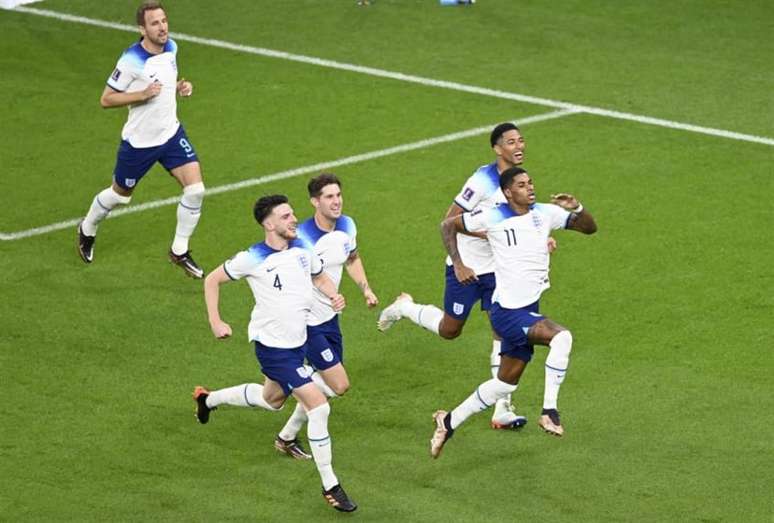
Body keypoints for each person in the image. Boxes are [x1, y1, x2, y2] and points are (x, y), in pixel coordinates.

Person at [192, 195, 357, 512]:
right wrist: (215, 321)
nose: (293, 219)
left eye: (292, 214)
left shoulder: (302, 249)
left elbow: (319, 275)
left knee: (272, 400)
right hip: (274, 348)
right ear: (269, 224)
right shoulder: (253, 257)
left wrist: (334, 294)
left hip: (298, 341)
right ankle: (331, 486)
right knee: (319, 406)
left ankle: (207, 400)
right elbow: (212, 279)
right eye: (285, 216)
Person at [378, 123, 539, 429]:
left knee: (503, 331)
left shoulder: (518, 181)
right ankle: (404, 307)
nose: (519, 147)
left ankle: (502, 408)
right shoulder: (482, 180)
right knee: (450, 330)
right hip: (465, 268)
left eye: (521, 141)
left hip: (499, 271)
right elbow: (449, 220)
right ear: (497, 148)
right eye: (511, 142)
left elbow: (522, 218)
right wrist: (460, 263)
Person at [429, 166, 597, 458]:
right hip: (508, 314)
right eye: (521, 185)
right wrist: (458, 263)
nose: (529, 188)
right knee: (562, 338)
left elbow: (590, 228)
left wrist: (577, 208)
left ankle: (449, 421)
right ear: (508, 192)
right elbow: (448, 225)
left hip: (527, 308)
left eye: (530, 182)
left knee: (504, 383)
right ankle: (549, 411)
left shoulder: (544, 213)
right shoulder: (493, 216)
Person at [76, 1, 205, 278]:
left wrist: (182, 87)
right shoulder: (131, 59)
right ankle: (87, 228)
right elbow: (106, 99)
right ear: (142, 29)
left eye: (164, 21)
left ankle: (179, 251)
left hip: (171, 134)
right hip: (139, 143)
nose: (162, 27)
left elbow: (168, 81)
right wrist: (141, 94)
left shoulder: (172, 47)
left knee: (195, 190)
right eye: (155, 23)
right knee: (119, 196)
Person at [274, 173, 379, 460]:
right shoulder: (301, 239)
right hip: (306, 322)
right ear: (315, 202)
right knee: (339, 384)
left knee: (325, 386)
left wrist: (365, 289)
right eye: (329, 197)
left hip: (329, 318)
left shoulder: (347, 225)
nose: (336, 201)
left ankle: (286, 436)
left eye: (338, 195)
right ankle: (288, 378)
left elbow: (352, 258)